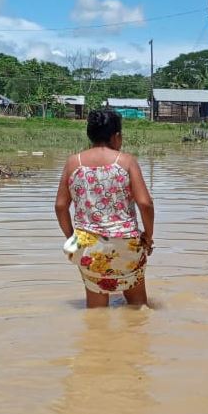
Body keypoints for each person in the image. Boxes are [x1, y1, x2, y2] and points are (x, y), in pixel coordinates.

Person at [55, 110, 155, 308]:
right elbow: (145, 203)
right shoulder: (126, 161)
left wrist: (72, 238)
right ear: (116, 136)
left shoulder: (73, 162)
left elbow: (60, 206)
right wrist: (148, 236)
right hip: (126, 242)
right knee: (138, 307)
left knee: (96, 310)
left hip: (88, 245)